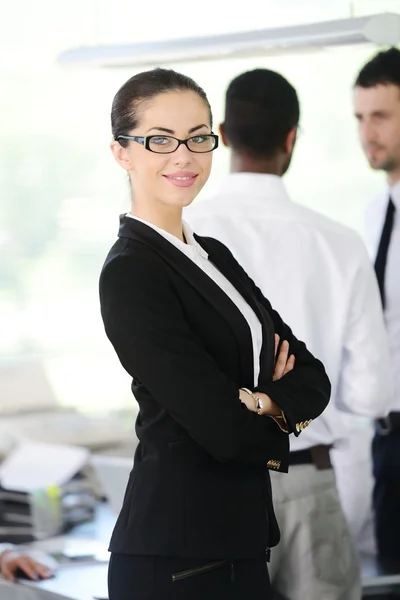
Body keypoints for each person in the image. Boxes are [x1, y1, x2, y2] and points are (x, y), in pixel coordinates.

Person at [99, 67, 331, 600]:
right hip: (176, 556)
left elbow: (313, 376)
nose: (183, 156)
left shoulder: (214, 255)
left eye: (199, 137)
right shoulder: (132, 272)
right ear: (122, 153)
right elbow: (222, 432)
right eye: (159, 140)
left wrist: (259, 403)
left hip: (237, 542)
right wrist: (268, 406)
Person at [188, 68, 392, 600]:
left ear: (224, 134)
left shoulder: (182, 237)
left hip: (212, 487)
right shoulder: (341, 243)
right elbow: (371, 395)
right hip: (309, 481)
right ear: (291, 138)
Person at [354, 47, 400, 562]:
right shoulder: (375, 211)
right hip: (386, 437)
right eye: (361, 118)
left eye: (381, 116)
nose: (368, 133)